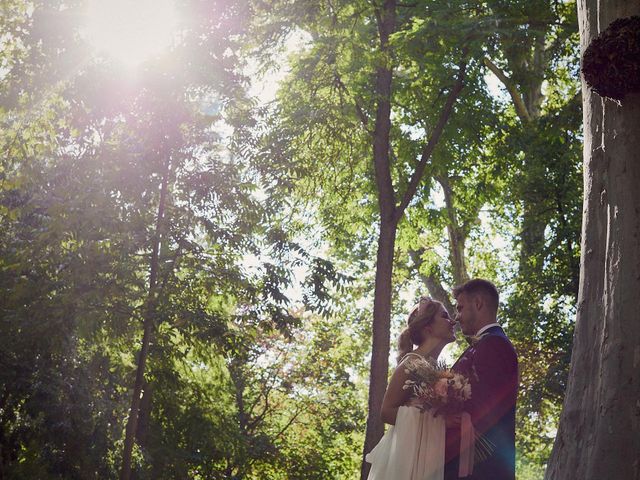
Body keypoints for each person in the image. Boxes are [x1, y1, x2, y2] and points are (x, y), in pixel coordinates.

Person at [366, 296, 457, 480]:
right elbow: (386, 412)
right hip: (408, 458)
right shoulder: (412, 362)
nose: (452, 321)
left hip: (429, 454)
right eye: (445, 316)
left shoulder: (438, 370)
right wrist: (437, 421)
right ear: (428, 327)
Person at [444, 279, 519, 480]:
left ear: (478, 303)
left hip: (482, 468)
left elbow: (485, 409)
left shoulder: (494, 344)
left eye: (460, 308)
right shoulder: (484, 344)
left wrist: (443, 417)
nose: (457, 317)